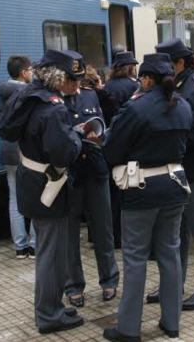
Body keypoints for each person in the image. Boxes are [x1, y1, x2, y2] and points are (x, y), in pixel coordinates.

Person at [0, 49, 91, 334]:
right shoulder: (53, 107)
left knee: (49, 248)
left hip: (30, 179)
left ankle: (51, 306)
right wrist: (79, 135)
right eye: (73, 79)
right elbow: (63, 154)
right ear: (60, 77)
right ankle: (49, 313)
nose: (77, 86)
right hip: (49, 185)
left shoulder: (28, 95)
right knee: (52, 253)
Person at [102, 53, 193, 342]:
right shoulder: (184, 106)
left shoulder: (136, 108)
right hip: (175, 185)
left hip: (141, 189)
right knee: (170, 252)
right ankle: (171, 321)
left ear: (146, 79)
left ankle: (129, 328)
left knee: (135, 258)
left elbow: (112, 148)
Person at [148, 38, 194, 311]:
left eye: (166, 65)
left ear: (179, 63)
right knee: (175, 231)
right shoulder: (174, 86)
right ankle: (173, 284)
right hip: (175, 168)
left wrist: (170, 139)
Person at [64, 65, 120, 308]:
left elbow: (109, 117)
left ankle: (109, 279)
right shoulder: (53, 101)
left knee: (103, 229)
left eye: (78, 80)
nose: (76, 85)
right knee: (70, 235)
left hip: (96, 171)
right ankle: (74, 285)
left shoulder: (90, 94)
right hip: (69, 174)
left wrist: (100, 135)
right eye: (71, 80)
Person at [0, 55, 36, 259]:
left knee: (14, 198)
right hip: (27, 150)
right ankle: (35, 244)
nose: (33, 73)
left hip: (8, 149)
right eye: (31, 69)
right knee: (37, 196)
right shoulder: (28, 93)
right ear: (23, 73)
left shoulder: (3, 91)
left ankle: (20, 247)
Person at [103, 51, 141, 248]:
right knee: (130, 189)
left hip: (109, 143)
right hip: (129, 145)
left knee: (113, 191)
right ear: (130, 67)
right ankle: (128, 234)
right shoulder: (135, 86)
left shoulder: (106, 86)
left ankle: (114, 235)